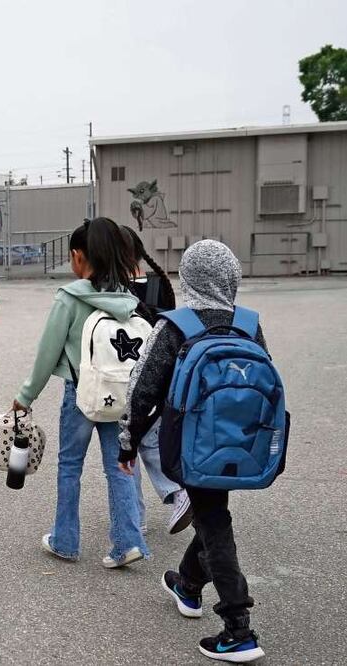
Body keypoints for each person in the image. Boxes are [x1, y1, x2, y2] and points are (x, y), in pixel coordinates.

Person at [120, 240, 267, 663]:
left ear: (189, 278)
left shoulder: (176, 326)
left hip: (191, 446)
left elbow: (142, 390)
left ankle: (238, 627)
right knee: (211, 511)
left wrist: (129, 443)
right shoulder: (248, 324)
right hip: (242, 443)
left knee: (214, 519)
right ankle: (187, 583)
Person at [12, 217, 149, 568]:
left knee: (70, 466)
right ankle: (128, 542)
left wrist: (26, 396)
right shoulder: (125, 298)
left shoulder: (69, 298)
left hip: (81, 395)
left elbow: (47, 353)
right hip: (117, 395)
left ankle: (66, 541)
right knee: (120, 467)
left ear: (78, 256)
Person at [121, 226, 192, 535]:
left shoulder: (119, 290)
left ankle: (137, 515)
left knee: (127, 447)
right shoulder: (159, 282)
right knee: (149, 441)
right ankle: (177, 493)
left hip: (128, 378)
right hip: (162, 378)